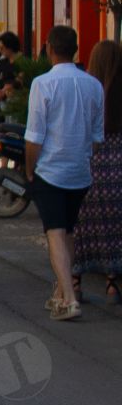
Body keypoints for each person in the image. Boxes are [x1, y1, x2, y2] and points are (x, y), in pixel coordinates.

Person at [26, 26, 104, 320]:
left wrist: (30, 168)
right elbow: (97, 136)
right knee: (68, 231)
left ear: (48, 49)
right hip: (80, 171)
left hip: (51, 169)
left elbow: (34, 136)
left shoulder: (42, 84)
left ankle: (69, 298)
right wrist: (84, 159)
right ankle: (60, 291)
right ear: (76, 48)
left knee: (55, 232)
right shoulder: (93, 85)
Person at [73, 40, 122, 305]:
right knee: (115, 228)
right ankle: (112, 284)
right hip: (118, 169)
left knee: (82, 227)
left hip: (90, 168)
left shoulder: (87, 91)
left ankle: (76, 283)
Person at [0, 31, 21, 128]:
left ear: (10, 47)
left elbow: (18, 80)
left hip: (12, 103)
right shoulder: (2, 61)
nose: (0, 50)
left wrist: (3, 92)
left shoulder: (20, 61)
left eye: (2, 48)